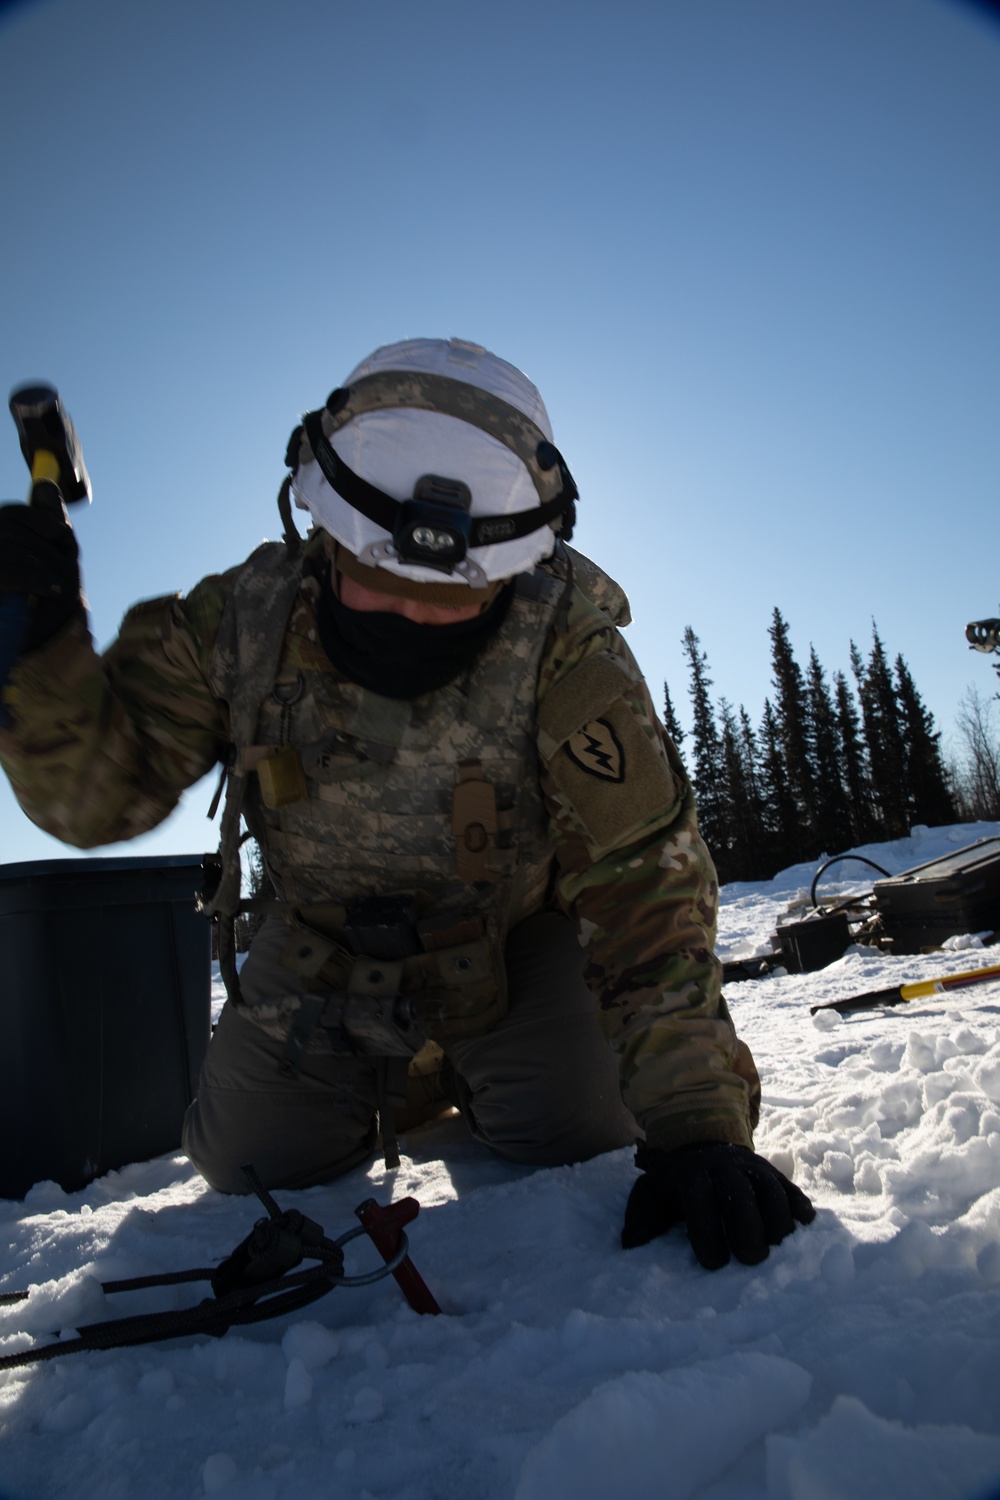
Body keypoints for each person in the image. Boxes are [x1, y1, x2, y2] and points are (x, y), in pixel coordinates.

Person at [0, 337, 814, 1270]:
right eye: (383, 589)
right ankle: (414, 1075)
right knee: (243, 1160)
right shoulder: (242, 622)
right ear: (327, 535)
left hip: (513, 947)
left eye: (454, 601)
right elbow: (96, 802)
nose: (416, 621)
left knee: (588, 1127)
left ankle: (470, 1068)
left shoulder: (565, 645)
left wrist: (701, 1127)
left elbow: (644, 886)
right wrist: (44, 652)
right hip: (320, 955)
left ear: (514, 571)